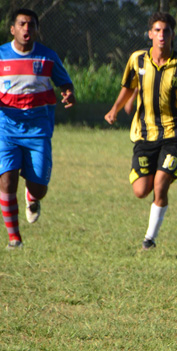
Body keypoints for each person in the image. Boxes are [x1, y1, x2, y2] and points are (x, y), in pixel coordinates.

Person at [105, 12, 177, 250]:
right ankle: (154, 209)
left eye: (166, 31)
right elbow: (128, 88)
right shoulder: (137, 60)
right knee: (141, 190)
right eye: (157, 31)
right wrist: (115, 109)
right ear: (150, 34)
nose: (161, 35)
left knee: (161, 183)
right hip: (144, 135)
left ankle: (149, 239)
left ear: (172, 35)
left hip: (174, 134)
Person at [0, 8, 76, 250]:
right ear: (12, 29)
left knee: (39, 189)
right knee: (7, 180)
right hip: (6, 129)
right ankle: (15, 239)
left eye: (31, 24)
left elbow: (65, 83)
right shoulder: (1, 56)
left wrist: (68, 93)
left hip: (38, 130)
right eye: (22, 24)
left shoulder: (47, 57)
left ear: (36, 30)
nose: (26, 28)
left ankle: (32, 196)